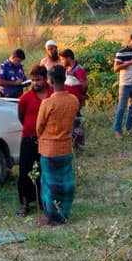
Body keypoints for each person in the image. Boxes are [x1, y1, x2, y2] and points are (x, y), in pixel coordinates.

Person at [36, 65, 81, 226]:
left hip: (49, 149)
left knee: (49, 185)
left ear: (51, 80)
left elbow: (39, 127)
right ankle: (64, 214)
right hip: (66, 147)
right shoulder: (73, 100)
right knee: (66, 183)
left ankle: (50, 217)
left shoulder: (47, 103)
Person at [16, 66, 51, 216]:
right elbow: (21, 117)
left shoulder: (53, 95)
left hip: (49, 139)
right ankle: (24, 204)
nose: (35, 83)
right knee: (25, 171)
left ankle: (44, 201)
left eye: (39, 80)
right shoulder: (25, 98)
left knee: (45, 171)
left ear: (46, 79)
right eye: (33, 80)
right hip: (29, 138)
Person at [112, 33, 132, 136]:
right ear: (129, 40)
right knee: (122, 107)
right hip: (125, 84)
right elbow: (116, 68)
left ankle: (129, 127)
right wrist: (130, 63)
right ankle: (117, 130)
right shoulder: (121, 53)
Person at [61, 48, 88, 148]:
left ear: (68, 58)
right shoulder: (67, 69)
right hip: (68, 100)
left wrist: (80, 98)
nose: (62, 61)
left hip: (76, 100)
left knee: (76, 121)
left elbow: (84, 86)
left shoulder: (79, 69)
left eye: (63, 59)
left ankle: (78, 144)